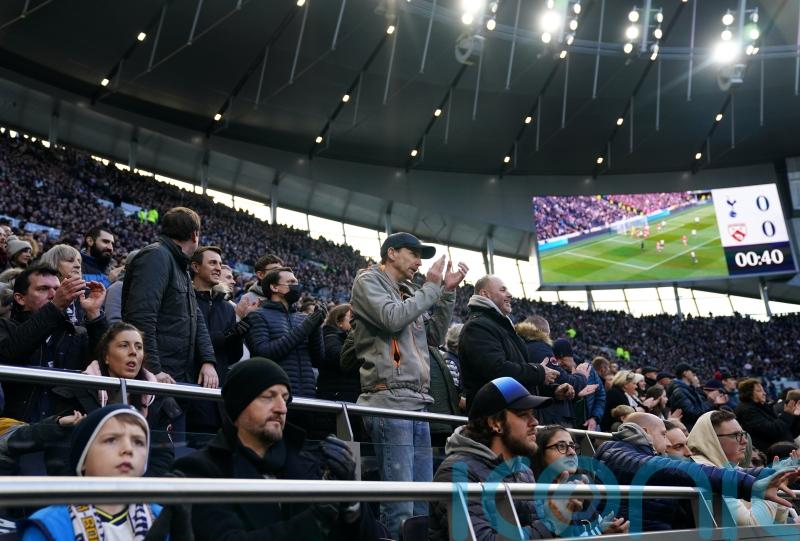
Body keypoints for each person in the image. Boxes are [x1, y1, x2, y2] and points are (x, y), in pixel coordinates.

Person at [174, 358, 381, 541]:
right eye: (268, 396)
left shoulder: (310, 463)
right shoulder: (201, 470)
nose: (281, 408)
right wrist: (316, 520)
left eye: (285, 397)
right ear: (240, 404)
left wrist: (352, 501)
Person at [349, 232, 465, 539]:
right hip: (388, 399)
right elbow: (392, 318)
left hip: (417, 402)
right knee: (399, 504)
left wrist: (447, 293)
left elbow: (433, 337)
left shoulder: (409, 292)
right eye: (413, 254)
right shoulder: (368, 282)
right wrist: (431, 287)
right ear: (391, 253)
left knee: (422, 504)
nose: (419, 263)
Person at [429, 376, 587, 540]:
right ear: (495, 423)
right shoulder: (456, 472)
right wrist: (552, 521)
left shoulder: (524, 471)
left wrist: (561, 508)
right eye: (523, 414)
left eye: (532, 414)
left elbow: (538, 529)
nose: (534, 422)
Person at [595, 412, 798, 532]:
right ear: (646, 433)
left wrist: (768, 474)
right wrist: (754, 486)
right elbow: (677, 470)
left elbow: (731, 472)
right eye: (663, 434)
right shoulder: (616, 453)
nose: (667, 443)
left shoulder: (624, 453)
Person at [18, 404, 190, 541]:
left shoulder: (164, 518)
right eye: (111, 440)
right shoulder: (49, 525)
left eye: (138, 442)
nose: (128, 449)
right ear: (83, 458)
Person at [121, 207, 218, 392]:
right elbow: (141, 318)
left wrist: (208, 360)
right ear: (194, 235)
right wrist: (153, 370)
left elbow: (196, 317)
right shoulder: (156, 256)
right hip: (158, 378)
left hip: (176, 375)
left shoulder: (180, 265)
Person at [0, 265, 107, 421]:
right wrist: (54, 306)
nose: (53, 295)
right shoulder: (5, 327)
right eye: (43, 289)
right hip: (16, 427)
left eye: (57, 289)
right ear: (20, 298)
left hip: (68, 428)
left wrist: (94, 314)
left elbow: (107, 361)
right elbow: (9, 351)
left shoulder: (76, 334)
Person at [458, 275, 557, 407]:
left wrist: (553, 390)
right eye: (503, 290)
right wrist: (538, 372)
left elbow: (517, 376)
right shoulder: (478, 327)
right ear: (485, 294)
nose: (510, 295)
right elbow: (497, 371)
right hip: (496, 414)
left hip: (510, 410)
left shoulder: (501, 326)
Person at [688, 410, 793, 526]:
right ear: (712, 439)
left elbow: (778, 521)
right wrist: (768, 487)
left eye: (743, 434)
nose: (745, 441)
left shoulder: (731, 469)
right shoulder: (708, 471)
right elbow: (751, 526)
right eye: (735, 435)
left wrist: (776, 482)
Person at [531, 425, 629, 536]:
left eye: (572, 446)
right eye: (561, 446)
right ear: (541, 453)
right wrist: (600, 532)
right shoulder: (532, 496)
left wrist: (609, 528)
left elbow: (594, 527)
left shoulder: (581, 488)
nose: (571, 452)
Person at [245, 267, 324, 399]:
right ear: (274, 287)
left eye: (296, 282)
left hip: (307, 396)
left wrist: (316, 327)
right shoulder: (257, 315)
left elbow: (318, 360)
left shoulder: (303, 319)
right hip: (274, 395)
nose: (296, 286)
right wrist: (307, 326)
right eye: (291, 282)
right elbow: (264, 353)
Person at [735, 378, 800, 453]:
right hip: (773, 454)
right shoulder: (748, 410)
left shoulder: (762, 406)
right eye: (759, 391)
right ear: (748, 393)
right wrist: (788, 413)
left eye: (763, 390)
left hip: (785, 448)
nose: (764, 393)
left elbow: (785, 429)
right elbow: (772, 430)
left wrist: (795, 416)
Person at [317, 303, 359, 403]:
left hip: (345, 394)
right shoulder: (330, 337)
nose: (355, 321)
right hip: (336, 396)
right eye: (351, 317)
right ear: (339, 322)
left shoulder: (343, 337)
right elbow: (340, 358)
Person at [667, 363, 713, 430]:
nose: (694, 374)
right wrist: (711, 402)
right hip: (690, 429)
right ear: (685, 373)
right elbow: (693, 414)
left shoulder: (687, 389)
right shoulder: (680, 392)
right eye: (692, 372)